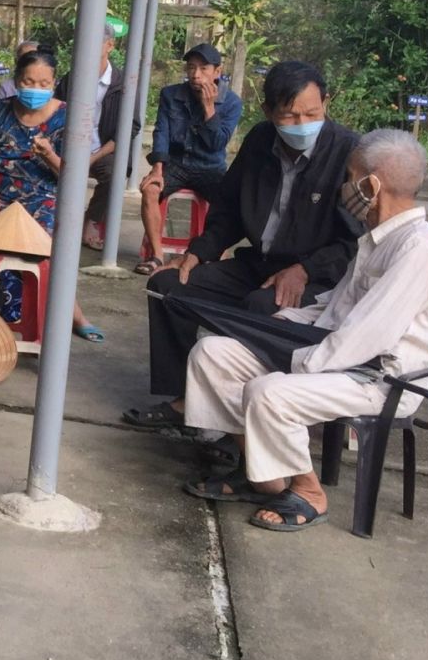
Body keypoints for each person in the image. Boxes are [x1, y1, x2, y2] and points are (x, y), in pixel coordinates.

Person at [181, 130, 428, 531]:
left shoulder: (418, 250)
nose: (344, 188)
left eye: (349, 177)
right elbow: (335, 307)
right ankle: (263, 476)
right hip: (337, 356)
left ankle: (309, 491)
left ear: (371, 185)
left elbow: (367, 336)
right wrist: (281, 326)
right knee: (212, 353)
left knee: (269, 391)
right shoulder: (378, 240)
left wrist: (295, 362)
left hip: (379, 378)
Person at [125, 61, 360, 431]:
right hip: (258, 264)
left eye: (312, 113)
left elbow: (355, 241)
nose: (302, 124)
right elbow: (229, 210)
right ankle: (184, 400)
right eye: (290, 116)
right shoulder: (260, 141)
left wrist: (306, 270)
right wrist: (198, 253)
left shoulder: (350, 152)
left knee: (262, 306)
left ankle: (239, 421)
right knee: (167, 286)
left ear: (326, 103)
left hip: (315, 277)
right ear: (268, 111)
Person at [0, 50, 100, 339]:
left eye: (43, 83)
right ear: (16, 80)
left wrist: (49, 155)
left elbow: (73, 177)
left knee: (36, 244)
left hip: (42, 200)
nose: (35, 89)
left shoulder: (68, 117)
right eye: (28, 81)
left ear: (53, 83)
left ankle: (67, 311)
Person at [134, 44, 244, 274]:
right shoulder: (170, 95)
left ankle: (214, 256)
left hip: (210, 167)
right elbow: (162, 132)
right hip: (177, 164)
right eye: (191, 67)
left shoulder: (232, 102)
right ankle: (156, 255)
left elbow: (217, 144)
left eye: (203, 68)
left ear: (217, 71)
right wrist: (157, 168)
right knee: (150, 189)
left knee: (230, 202)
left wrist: (209, 108)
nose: (196, 74)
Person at [55, 22, 130, 250]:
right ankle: (56, 220)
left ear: (110, 45)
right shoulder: (71, 78)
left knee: (116, 174)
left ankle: (91, 220)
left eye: (95, 41)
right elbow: (56, 113)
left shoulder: (121, 84)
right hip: (68, 148)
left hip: (102, 150)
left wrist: (92, 157)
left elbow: (130, 128)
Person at [0, 39, 40, 104]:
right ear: (16, 61)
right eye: (25, 59)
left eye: (33, 59)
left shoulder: (47, 87)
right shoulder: (6, 88)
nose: (29, 63)